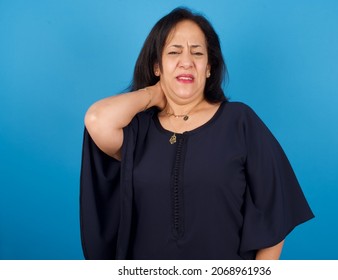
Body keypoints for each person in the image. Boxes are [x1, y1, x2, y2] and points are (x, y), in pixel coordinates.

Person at [80, 7, 314, 260]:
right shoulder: (139, 130)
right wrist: (154, 94)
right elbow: (96, 119)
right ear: (157, 66)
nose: (187, 62)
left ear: (209, 68)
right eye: (174, 52)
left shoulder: (240, 122)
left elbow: (274, 216)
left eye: (197, 53)